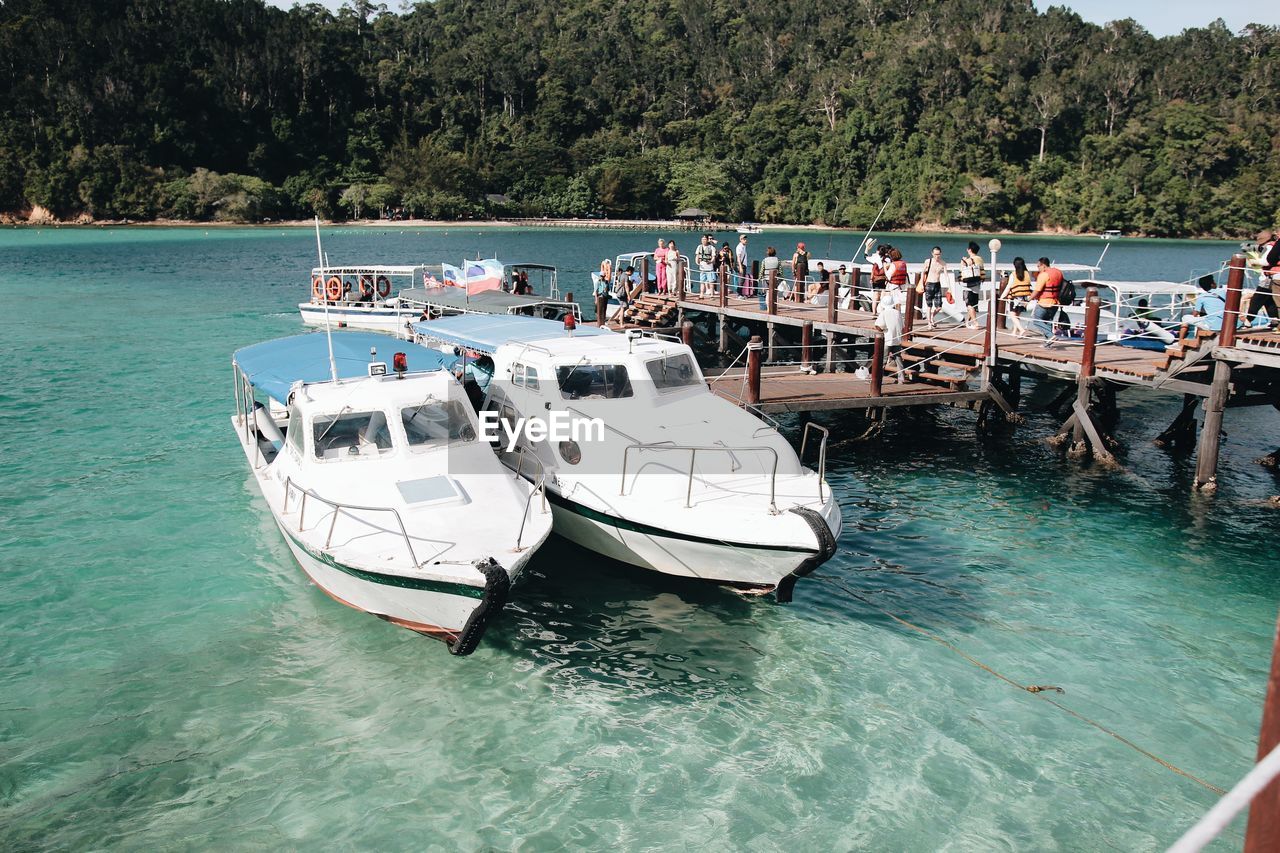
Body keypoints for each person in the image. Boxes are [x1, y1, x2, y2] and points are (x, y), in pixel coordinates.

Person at [875, 275, 907, 382]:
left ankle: (878, 379)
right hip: (897, 339)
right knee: (898, 360)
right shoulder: (897, 313)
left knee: (882, 360)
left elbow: (878, 325)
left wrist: (882, 330)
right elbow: (902, 326)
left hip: (888, 339)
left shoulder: (884, 313)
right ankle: (901, 378)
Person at [1245, 231, 1280, 327]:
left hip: (1269, 278)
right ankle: (1275, 320)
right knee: (1269, 300)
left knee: (1257, 299)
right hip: (1272, 277)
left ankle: (1248, 320)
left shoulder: (1269, 247)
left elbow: (1267, 261)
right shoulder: (1274, 245)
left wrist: (1254, 261)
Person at [1027, 257, 1064, 347]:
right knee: (1048, 322)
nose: (1038, 269)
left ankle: (1051, 336)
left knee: (1036, 320)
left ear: (1043, 265)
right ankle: (1048, 344)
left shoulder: (1043, 275)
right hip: (1055, 302)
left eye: (1038, 266)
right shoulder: (1058, 272)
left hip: (1044, 302)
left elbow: (1037, 290)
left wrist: (1029, 298)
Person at [998, 256, 1033, 337]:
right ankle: (1014, 332)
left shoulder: (1013, 274)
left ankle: (1021, 329)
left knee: (1012, 315)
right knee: (1017, 315)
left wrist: (1002, 297)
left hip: (1015, 299)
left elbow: (1008, 287)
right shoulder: (1027, 273)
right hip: (1024, 298)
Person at [919, 246, 946, 329]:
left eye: (938, 254)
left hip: (937, 284)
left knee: (939, 307)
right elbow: (923, 272)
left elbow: (946, 275)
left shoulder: (943, 263)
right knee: (929, 305)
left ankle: (931, 317)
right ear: (932, 254)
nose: (937, 256)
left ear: (940, 254)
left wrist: (950, 288)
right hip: (929, 284)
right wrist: (921, 284)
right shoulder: (928, 261)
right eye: (935, 254)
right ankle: (929, 323)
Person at [960, 241, 986, 328]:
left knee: (969, 305)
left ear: (969, 250)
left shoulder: (968, 260)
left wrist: (962, 261)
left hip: (968, 284)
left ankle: (975, 323)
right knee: (973, 305)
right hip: (977, 283)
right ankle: (968, 322)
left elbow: (962, 269)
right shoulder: (980, 259)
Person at [864, 240, 890, 312]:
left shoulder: (874, 258)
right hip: (884, 279)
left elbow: (865, 256)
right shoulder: (887, 259)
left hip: (876, 279)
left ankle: (874, 312)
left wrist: (866, 248)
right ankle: (881, 312)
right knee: (883, 296)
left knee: (875, 297)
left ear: (878, 251)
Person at [594, 261, 611, 326]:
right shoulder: (598, 282)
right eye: (601, 276)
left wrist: (606, 289)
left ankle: (603, 320)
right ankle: (598, 321)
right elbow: (596, 291)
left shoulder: (606, 282)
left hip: (605, 296)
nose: (602, 277)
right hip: (599, 296)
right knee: (598, 309)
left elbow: (608, 289)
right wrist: (596, 299)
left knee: (604, 308)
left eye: (603, 276)